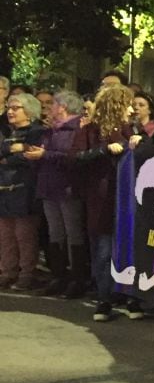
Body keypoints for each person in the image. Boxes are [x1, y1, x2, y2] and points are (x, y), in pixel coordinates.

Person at [74, 85, 138, 322]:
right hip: (101, 199)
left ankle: (131, 296)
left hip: (128, 200)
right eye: (128, 104)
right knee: (103, 250)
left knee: (129, 249)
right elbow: (76, 157)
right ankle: (104, 299)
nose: (132, 110)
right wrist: (103, 150)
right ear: (117, 105)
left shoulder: (130, 129)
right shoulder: (90, 131)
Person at [23, 90, 92, 298]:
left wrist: (45, 154)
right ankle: (58, 275)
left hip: (67, 187)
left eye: (53, 104)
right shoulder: (51, 130)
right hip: (48, 186)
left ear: (63, 107)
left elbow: (72, 157)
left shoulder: (77, 129)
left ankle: (77, 278)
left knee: (73, 233)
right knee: (55, 233)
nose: (49, 108)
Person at [0, 93, 47, 289]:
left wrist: (8, 157)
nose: (10, 111)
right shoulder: (7, 131)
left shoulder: (38, 132)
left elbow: (30, 157)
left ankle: (27, 273)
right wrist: (13, 150)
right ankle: (8, 271)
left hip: (26, 189)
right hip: (4, 189)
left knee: (24, 234)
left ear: (29, 111)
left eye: (15, 108)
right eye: (9, 108)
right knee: (5, 234)